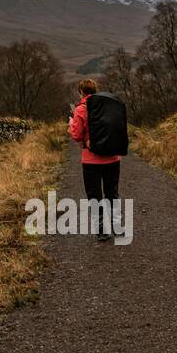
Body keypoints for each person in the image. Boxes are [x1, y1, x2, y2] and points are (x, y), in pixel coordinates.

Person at [68, 78, 122, 241]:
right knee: (112, 194)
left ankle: (101, 230)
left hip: (91, 161)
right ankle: (118, 227)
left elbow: (77, 136)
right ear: (96, 90)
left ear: (81, 93)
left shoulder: (81, 109)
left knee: (94, 195)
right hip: (113, 157)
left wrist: (71, 125)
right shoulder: (109, 105)